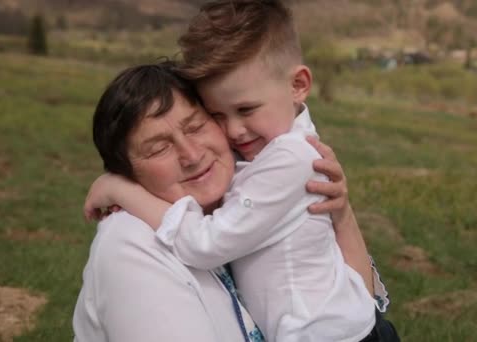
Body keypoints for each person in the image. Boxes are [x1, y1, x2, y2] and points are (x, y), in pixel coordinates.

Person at [83, 1, 398, 341]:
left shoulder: (289, 160)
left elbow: (204, 243)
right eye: (217, 115)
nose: (233, 132)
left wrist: (121, 190)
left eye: (245, 109)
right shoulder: (131, 249)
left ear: (299, 85)